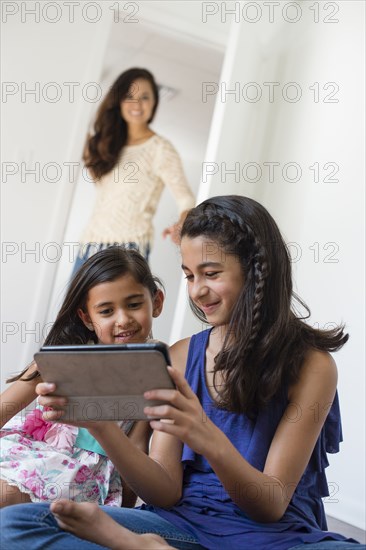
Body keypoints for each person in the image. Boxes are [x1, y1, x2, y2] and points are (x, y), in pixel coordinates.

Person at [1, 195, 364, 550]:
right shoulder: (179, 355)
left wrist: (204, 433)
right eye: (189, 276)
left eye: (211, 274)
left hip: (274, 535)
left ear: (256, 270)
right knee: (19, 523)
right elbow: (165, 491)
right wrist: (100, 425)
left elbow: (269, 506)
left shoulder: (312, 365)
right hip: (176, 525)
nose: (197, 291)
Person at [0, 246, 164, 509]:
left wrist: (128, 519)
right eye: (106, 311)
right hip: (32, 451)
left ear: (156, 302)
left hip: (83, 475)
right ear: (87, 317)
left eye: (133, 305)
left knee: (5, 496)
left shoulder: (152, 372)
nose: (123, 320)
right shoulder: (64, 355)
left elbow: (136, 447)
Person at [72, 67, 195, 273]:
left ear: (154, 102)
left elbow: (186, 200)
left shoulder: (161, 149)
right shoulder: (107, 145)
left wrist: (182, 224)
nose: (137, 104)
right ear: (119, 100)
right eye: (129, 96)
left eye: (145, 97)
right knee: (75, 306)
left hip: (128, 249)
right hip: (89, 245)